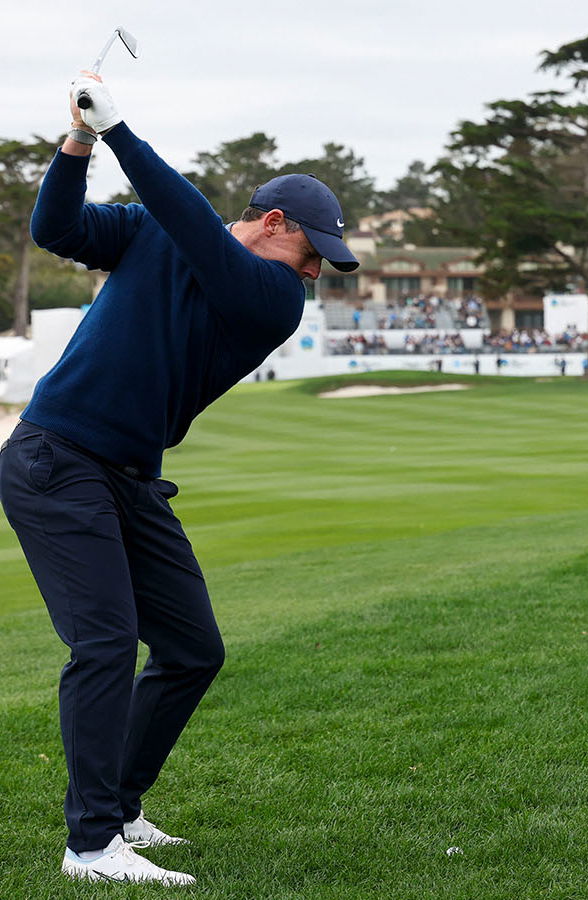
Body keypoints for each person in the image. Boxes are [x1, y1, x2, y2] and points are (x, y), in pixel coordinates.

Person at [0, 73, 358, 886]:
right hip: (55, 459)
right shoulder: (156, 234)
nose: (314, 276)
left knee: (193, 649)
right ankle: (90, 845)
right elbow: (56, 227)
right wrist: (82, 142)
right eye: (313, 256)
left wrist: (124, 131)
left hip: (126, 476)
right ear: (274, 224)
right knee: (103, 642)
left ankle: (119, 806)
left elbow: (193, 226)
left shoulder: (271, 300)